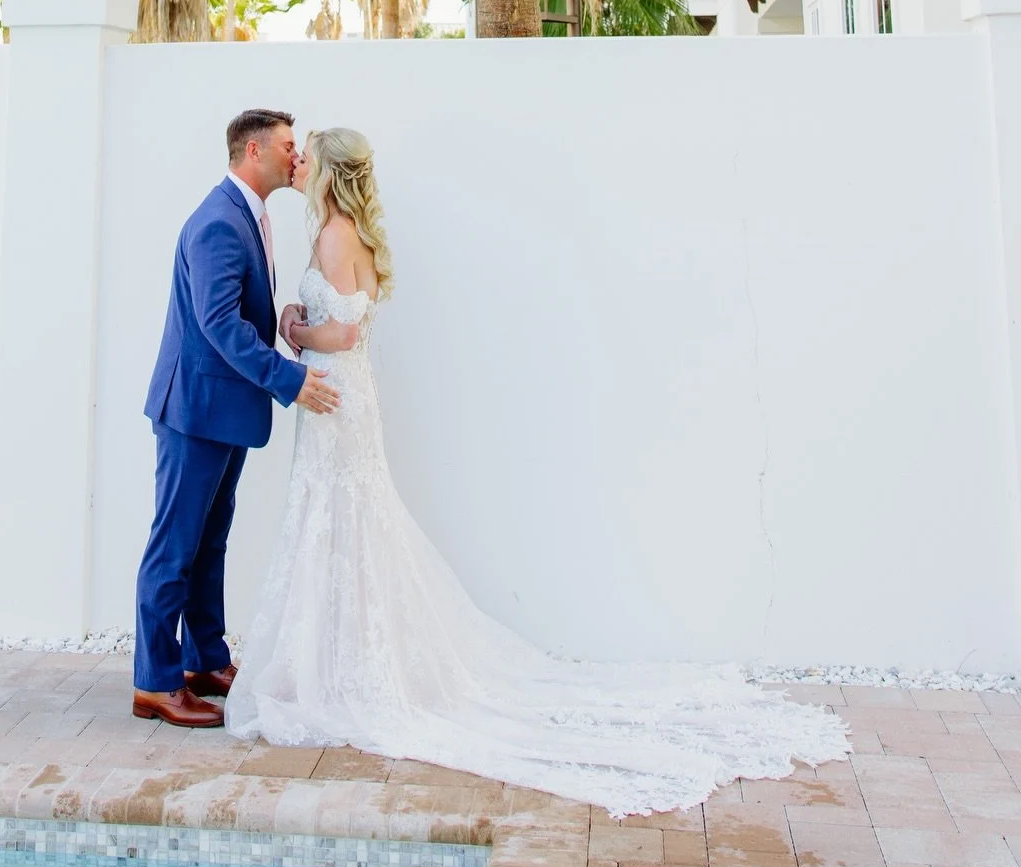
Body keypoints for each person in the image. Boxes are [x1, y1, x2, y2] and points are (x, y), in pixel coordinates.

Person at [225, 127, 850, 816]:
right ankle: (344, 662)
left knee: (336, 523)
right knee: (348, 526)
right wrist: (300, 317)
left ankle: (342, 672)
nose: (299, 160)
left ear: (330, 172)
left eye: (309, 152)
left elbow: (343, 333)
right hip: (345, 398)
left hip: (334, 395)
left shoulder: (335, 237)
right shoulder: (349, 234)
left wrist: (294, 333)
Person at [132, 108, 358, 729]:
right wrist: (290, 379)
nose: (295, 157)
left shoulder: (249, 216)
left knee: (211, 542)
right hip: (194, 410)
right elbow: (219, 323)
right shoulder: (217, 223)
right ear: (254, 151)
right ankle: (154, 681)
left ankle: (204, 658)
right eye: (288, 145)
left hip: (223, 411)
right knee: (174, 546)